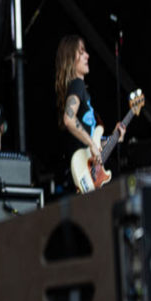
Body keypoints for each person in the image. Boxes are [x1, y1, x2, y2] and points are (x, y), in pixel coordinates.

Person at [54, 35, 125, 192]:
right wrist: (92, 144)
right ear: (71, 59)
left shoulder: (79, 90)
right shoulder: (77, 84)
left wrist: (113, 138)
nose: (87, 56)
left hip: (88, 173)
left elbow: (93, 143)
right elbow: (69, 119)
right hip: (82, 170)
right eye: (81, 52)